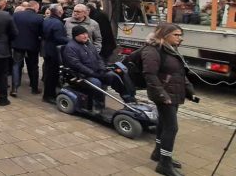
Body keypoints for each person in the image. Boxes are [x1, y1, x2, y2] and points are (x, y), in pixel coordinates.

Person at [143, 23, 197, 176]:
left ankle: (158, 154)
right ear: (164, 35)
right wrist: (162, 95)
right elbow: (150, 75)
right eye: (176, 35)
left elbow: (179, 73)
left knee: (164, 123)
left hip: (173, 93)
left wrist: (190, 91)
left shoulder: (171, 49)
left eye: (180, 35)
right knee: (172, 127)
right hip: (164, 95)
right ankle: (164, 164)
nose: (180, 38)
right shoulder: (152, 50)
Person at [62, 25, 135, 113]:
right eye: (82, 34)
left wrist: (102, 68)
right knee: (96, 83)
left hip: (97, 71)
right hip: (83, 75)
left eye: (86, 33)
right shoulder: (70, 47)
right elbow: (77, 65)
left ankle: (128, 100)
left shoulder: (89, 44)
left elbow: (99, 58)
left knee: (114, 76)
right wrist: (93, 73)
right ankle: (98, 106)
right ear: (75, 36)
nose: (86, 36)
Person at [11, 0, 44, 96]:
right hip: (32, 45)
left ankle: (14, 88)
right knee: (33, 66)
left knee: (16, 65)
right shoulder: (39, 18)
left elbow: (11, 28)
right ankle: (34, 88)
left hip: (18, 44)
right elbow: (42, 33)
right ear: (35, 7)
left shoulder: (16, 15)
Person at [41, 4, 69, 104]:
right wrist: (71, 41)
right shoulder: (58, 23)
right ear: (59, 12)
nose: (63, 12)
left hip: (46, 50)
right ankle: (49, 95)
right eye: (61, 10)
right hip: (53, 52)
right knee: (52, 75)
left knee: (49, 73)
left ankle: (48, 94)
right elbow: (59, 38)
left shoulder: (47, 20)